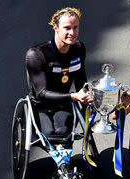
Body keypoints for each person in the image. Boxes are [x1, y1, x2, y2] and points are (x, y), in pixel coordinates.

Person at [25, 7, 92, 137]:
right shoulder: (36, 54)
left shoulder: (79, 48)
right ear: (55, 27)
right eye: (67, 28)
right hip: (41, 105)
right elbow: (41, 93)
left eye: (76, 27)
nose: (72, 32)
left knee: (63, 133)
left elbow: (81, 82)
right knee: (49, 134)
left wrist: (87, 103)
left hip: (63, 103)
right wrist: (73, 96)